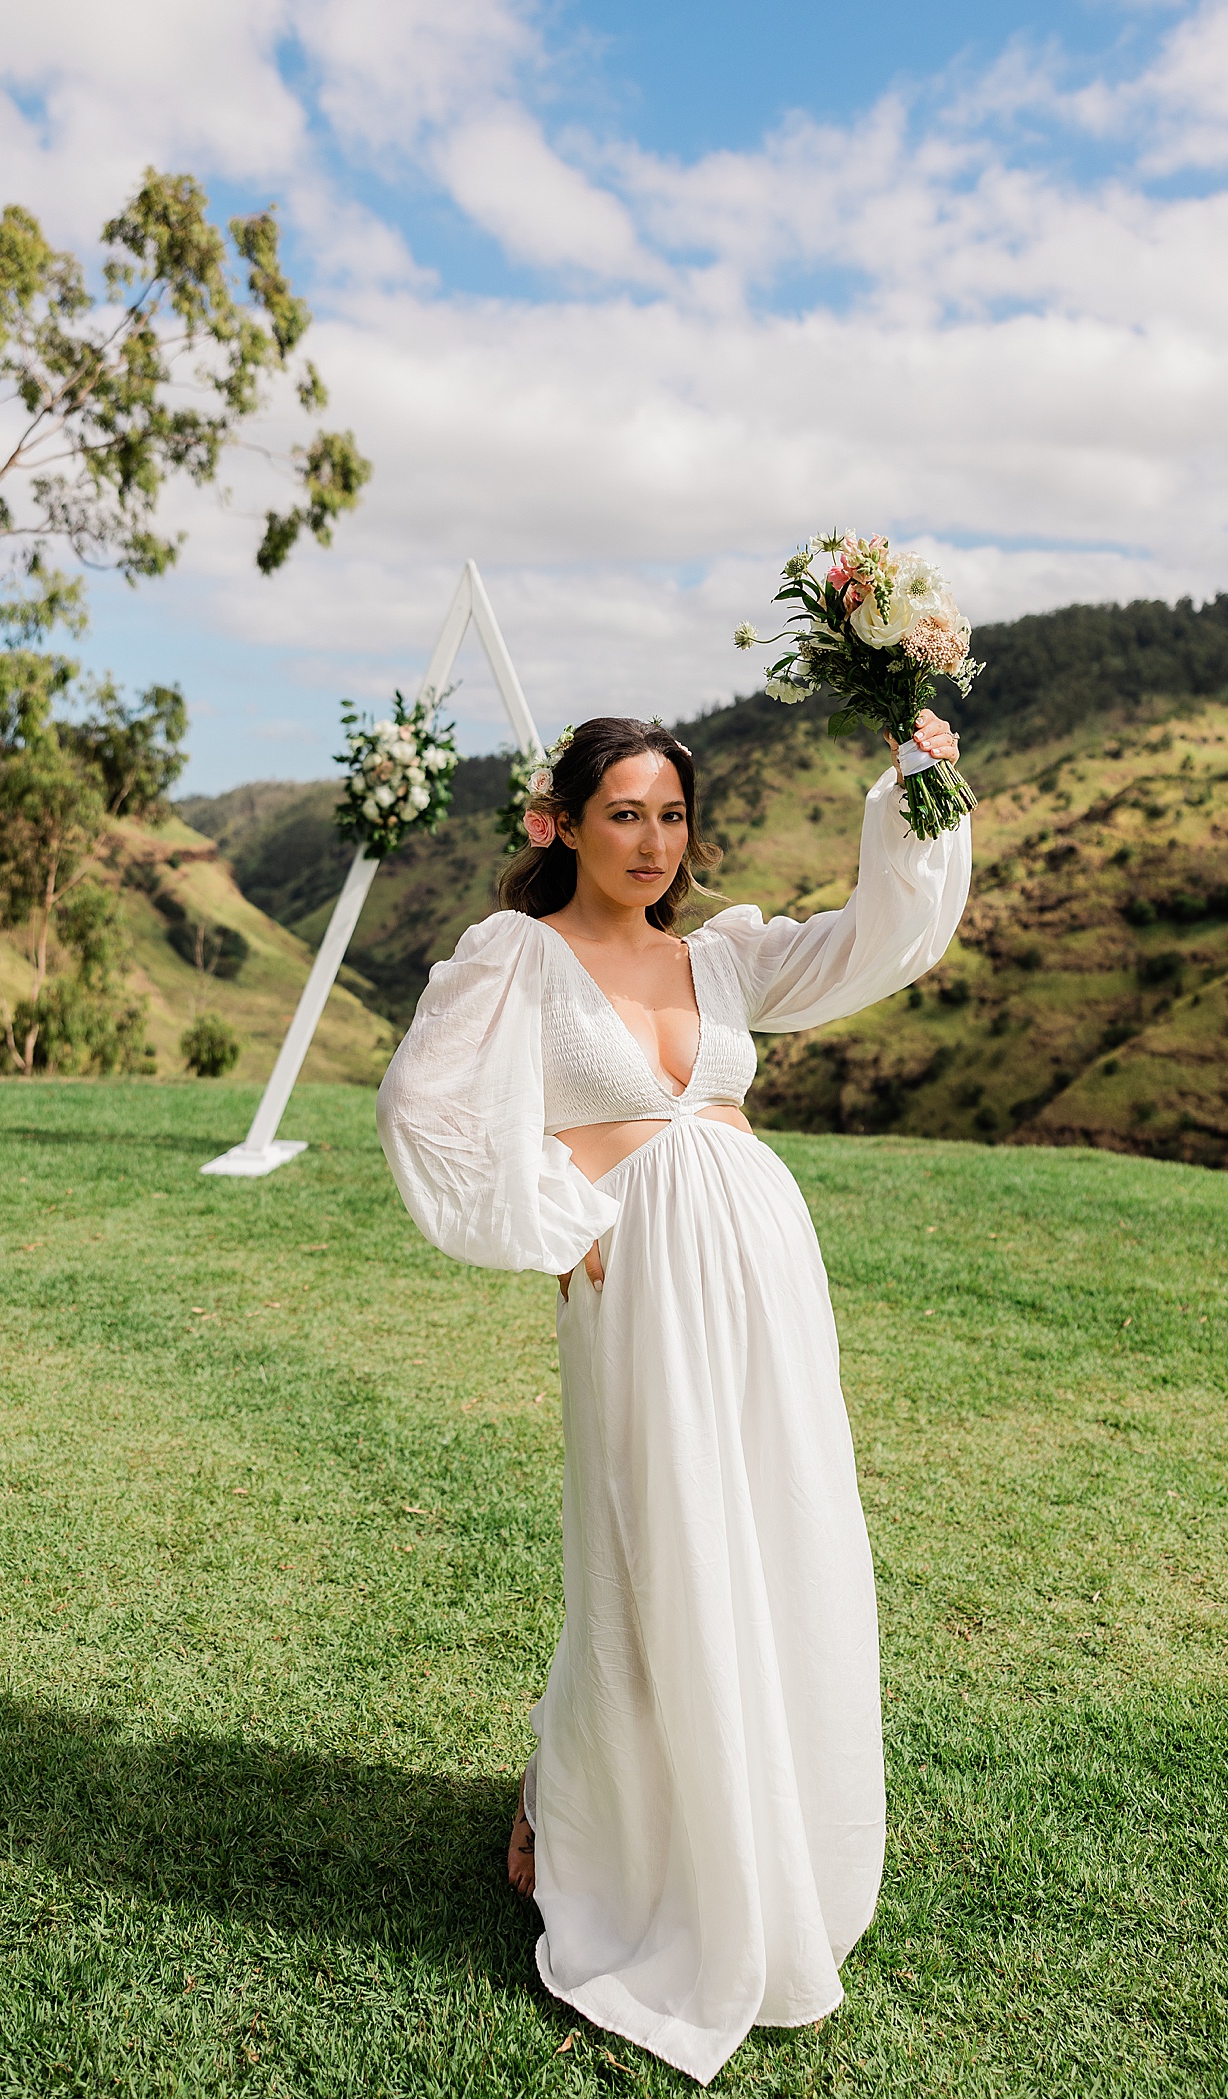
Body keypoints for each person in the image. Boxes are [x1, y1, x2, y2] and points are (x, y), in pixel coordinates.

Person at [376, 709, 970, 2085]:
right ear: (565, 821)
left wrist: (920, 788)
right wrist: (548, 1212)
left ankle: (765, 1834)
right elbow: (426, 1106)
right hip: (632, 1282)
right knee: (654, 1549)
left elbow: (879, 938)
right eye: (625, 813)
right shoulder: (517, 956)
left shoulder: (726, 954)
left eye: (673, 817)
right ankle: (620, 1835)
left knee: (773, 1537)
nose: (652, 842)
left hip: (765, 1271)